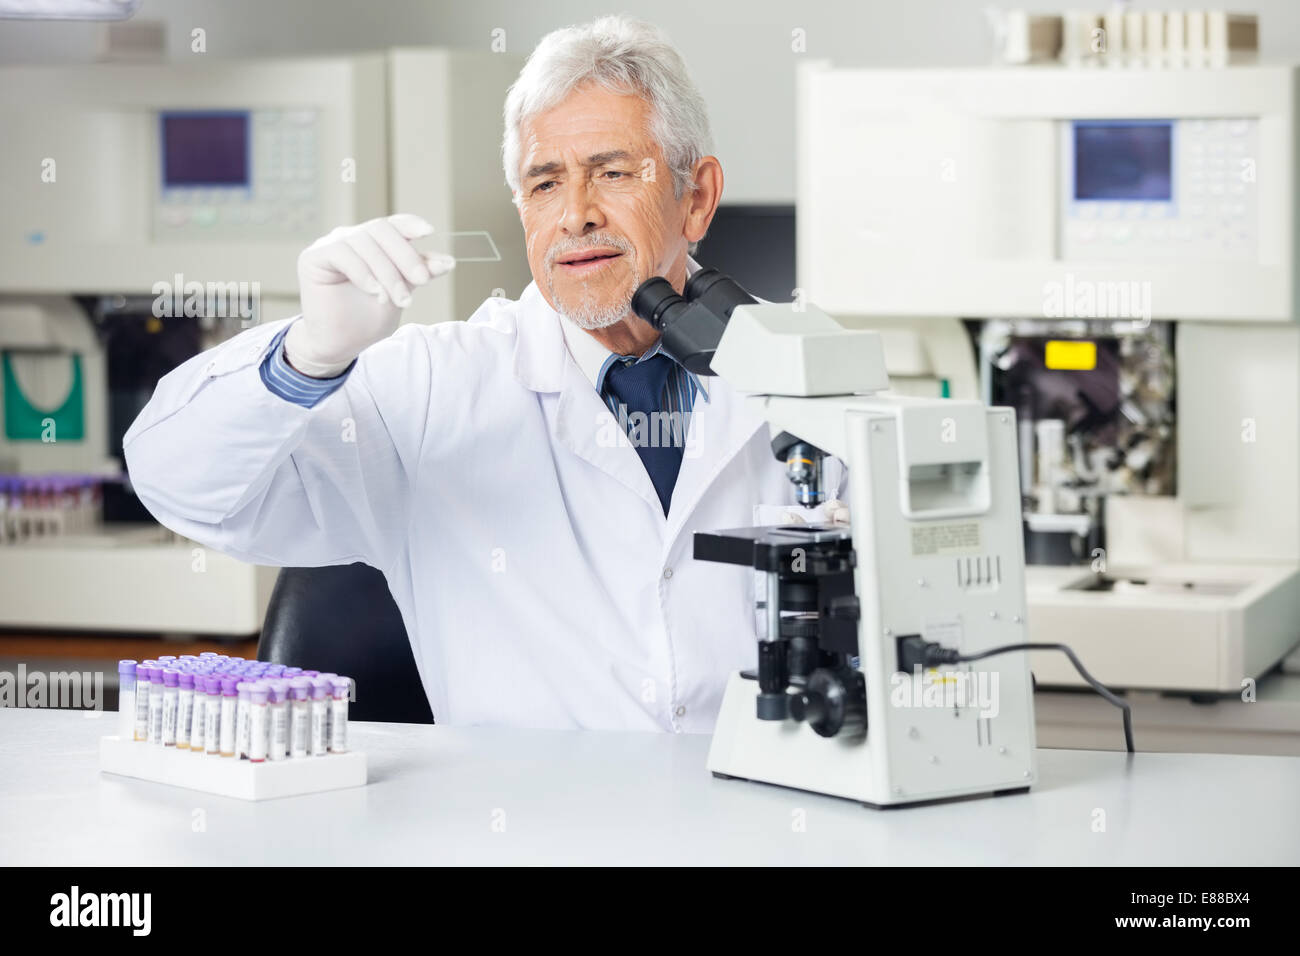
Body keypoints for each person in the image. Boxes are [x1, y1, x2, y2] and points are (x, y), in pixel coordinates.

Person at [124, 15, 844, 733]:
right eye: (545, 183)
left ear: (696, 197)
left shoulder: (806, 371)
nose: (575, 216)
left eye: (613, 172)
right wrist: (307, 356)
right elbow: (179, 484)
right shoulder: (436, 388)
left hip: (757, 821)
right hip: (519, 832)